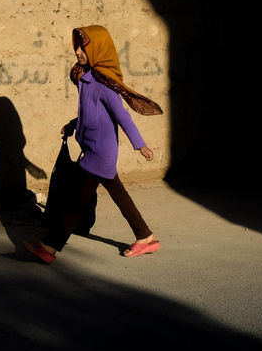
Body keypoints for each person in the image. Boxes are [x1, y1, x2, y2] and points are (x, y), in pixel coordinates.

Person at [24, 25, 163, 264]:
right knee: (118, 194)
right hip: (92, 149)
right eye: (77, 46)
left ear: (98, 49)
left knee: (75, 201)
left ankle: (50, 247)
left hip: (100, 153)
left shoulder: (106, 85)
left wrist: (140, 145)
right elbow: (89, 112)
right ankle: (145, 236)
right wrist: (73, 124)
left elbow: (122, 116)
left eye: (83, 47)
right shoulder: (86, 79)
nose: (77, 51)